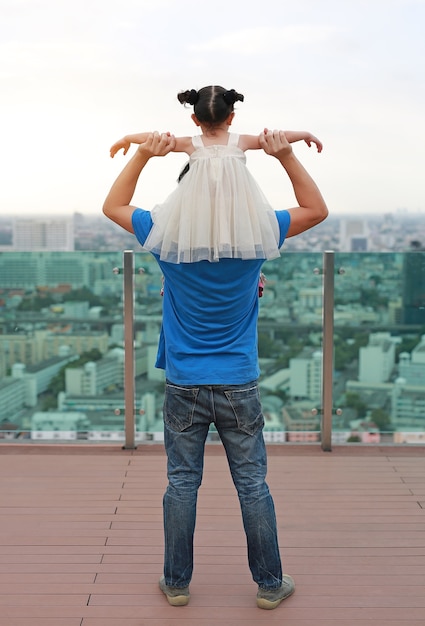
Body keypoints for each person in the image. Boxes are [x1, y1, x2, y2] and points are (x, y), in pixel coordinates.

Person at [103, 97, 328, 610]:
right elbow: (316, 209)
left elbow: (113, 206)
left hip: (184, 380)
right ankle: (270, 587)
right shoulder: (258, 234)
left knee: (181, 484)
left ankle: (176, 583)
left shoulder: (167, 237)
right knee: (253, 485)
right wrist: (286, 155)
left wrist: (142, 155)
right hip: (239, 382)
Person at [109, 85, 323, 264]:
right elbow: (276, 137)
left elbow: (156, 138)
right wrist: (304, 135)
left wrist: (129, 139)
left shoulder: (164, 230)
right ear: (231, 117)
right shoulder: (258, 229)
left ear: (195, 119)